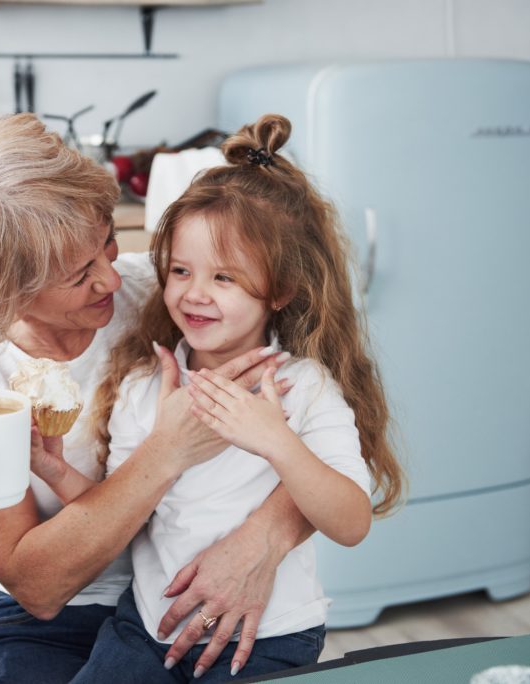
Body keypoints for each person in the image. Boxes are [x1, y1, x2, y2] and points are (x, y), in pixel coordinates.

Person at [0, 113, 318, 683]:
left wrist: (263, 539)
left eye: (107, 243)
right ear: (4, 287)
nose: (111, 279)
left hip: (189, 585)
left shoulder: (168, 293)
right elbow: (39, 585)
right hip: (46, 623)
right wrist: (168, 450)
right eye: (79, 275)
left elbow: (324, 431)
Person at [31, 114, 405, 682]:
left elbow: (351, 522)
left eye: (224, 278)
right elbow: (127, 519)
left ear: (280, 289)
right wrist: (57, 473)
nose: (195, 294)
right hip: (148, 631)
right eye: (181, 270)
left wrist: (275, 440)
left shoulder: (303, 388)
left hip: (267, 638)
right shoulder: (146, 385)